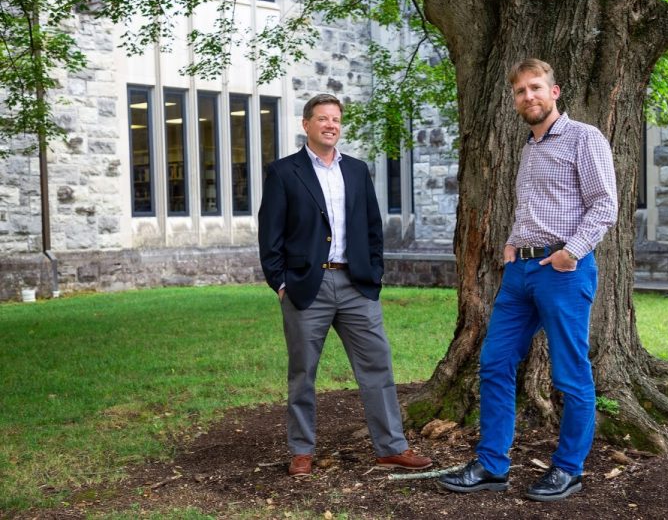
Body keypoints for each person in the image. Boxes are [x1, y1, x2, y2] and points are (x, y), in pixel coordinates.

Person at [439, 58, 618, 501]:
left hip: (564, 273)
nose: (528, 97)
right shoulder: (529, 147)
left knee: (570, 375)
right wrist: (512, 245)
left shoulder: (584, 137)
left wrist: (569, 253)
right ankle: (492, 465)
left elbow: (604, 205)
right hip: (520, 273)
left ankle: (568, 469)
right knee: (495, 363)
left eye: (535, 87)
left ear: (554, 91)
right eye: (520, 91)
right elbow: (536, 207)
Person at [258, 93, 432, 478]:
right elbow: (269, 235)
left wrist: (375, 273)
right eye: (322, 118)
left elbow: (373, 228)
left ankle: (391, 447)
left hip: (356, 285)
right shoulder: (284, 172)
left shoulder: (356, 170)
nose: (330, 125)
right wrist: (281, 283)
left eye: (335, 119)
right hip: (307, 287)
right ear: (306, 125)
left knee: (378, 366)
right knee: (303, 372)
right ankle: (302, 450)